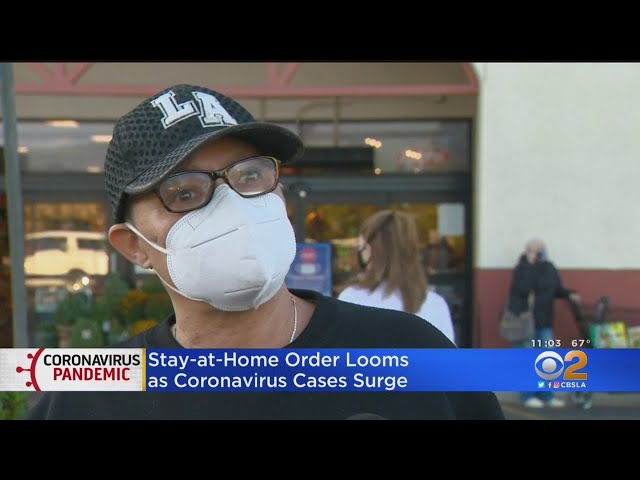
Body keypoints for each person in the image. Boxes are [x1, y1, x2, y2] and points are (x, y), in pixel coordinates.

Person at [25, 84, 504, 420]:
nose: (233, 205)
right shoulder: (89, 400)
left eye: (250, 176)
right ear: (133, 246)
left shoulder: (410, 352)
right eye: (185, 192)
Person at [338, 210, 456, 344]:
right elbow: (447, 356)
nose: (362, 258)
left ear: (370, 249)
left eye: (361, 249)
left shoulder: (351, 299)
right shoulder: (435, 304)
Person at [507, 238, 581, 409]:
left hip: (544, 320)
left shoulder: (549, 268)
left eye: (541, 249)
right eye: (535, 250)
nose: (539, 253)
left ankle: (547, 395)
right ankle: (527, 395)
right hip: (525, 321)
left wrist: (569, 294)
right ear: (528, 251)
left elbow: (556, 288)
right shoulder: (521, 269)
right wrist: (529, 264)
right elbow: (522, 289)